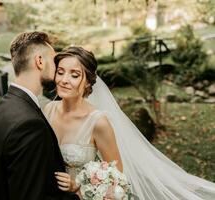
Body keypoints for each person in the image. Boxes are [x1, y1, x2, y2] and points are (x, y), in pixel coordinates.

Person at [43, 46, 215, 200]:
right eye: (60, 72)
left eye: (74, 75)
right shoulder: (47, 110)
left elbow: (117, 178)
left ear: (88, 81)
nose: (64, 80)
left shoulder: (98, 122)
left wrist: (77, 186)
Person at [0, 32, 80, 200]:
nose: (57, 69)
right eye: (54, 61)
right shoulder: (30, 124)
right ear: (39, 61)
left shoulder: (4, 106)